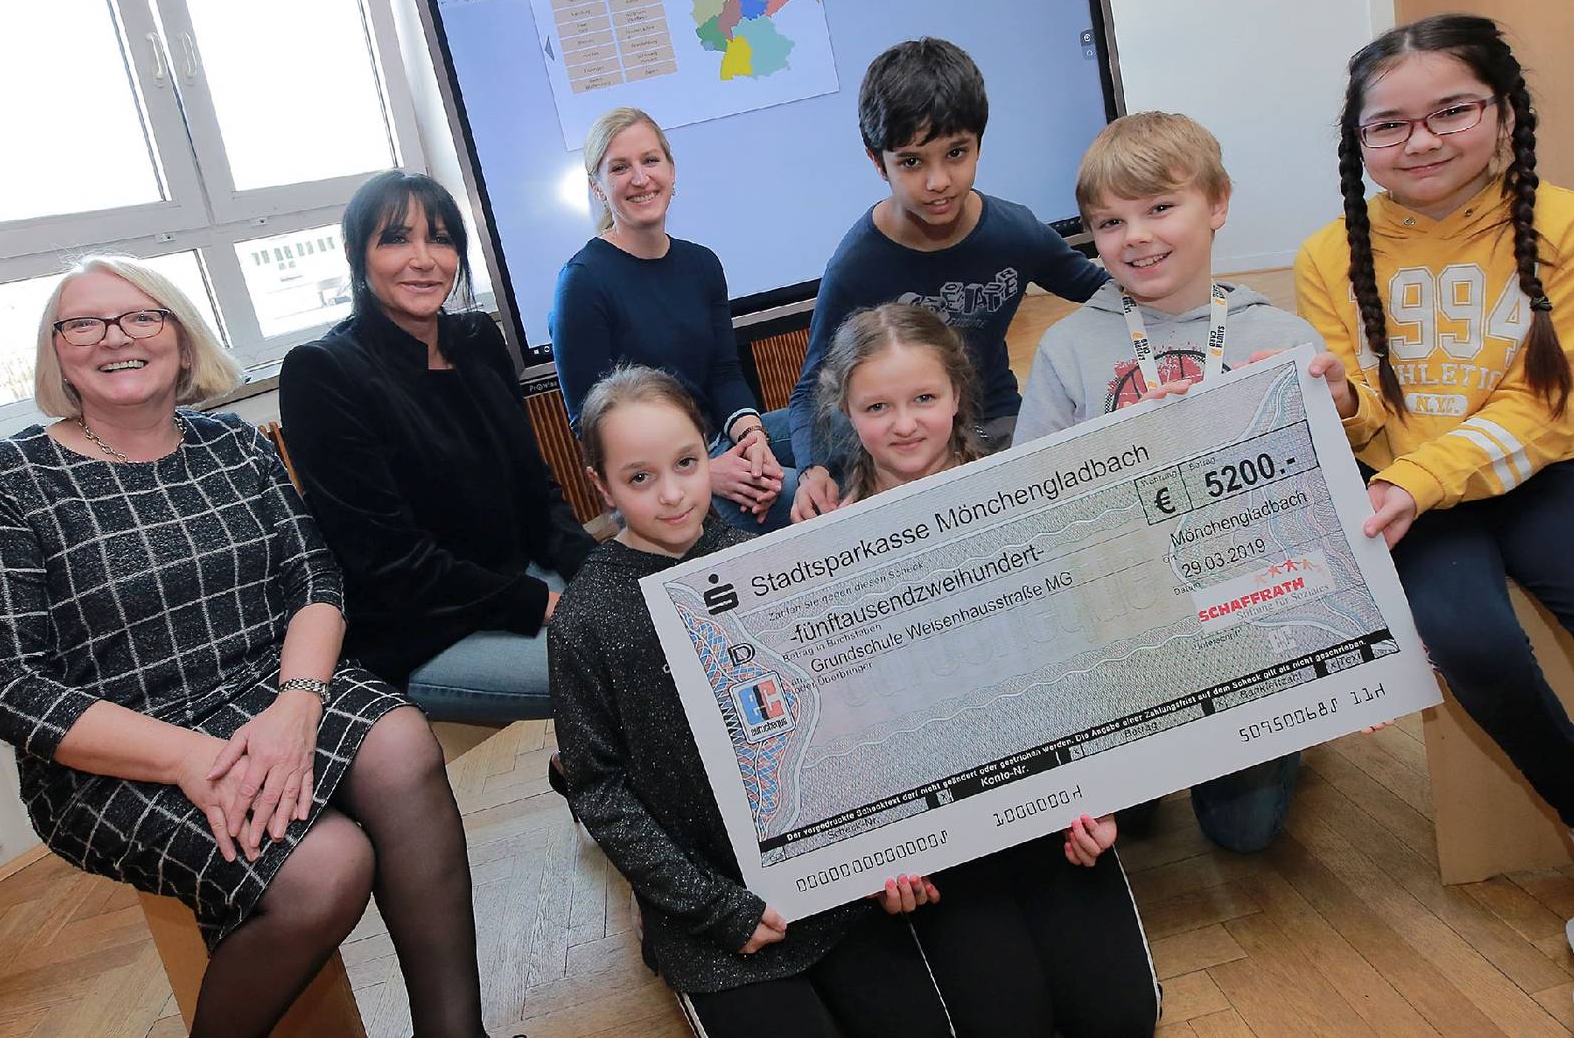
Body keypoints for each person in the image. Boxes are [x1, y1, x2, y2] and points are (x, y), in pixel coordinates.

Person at [1295, 14, 1574, 1038]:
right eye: (1388, 126)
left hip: (1527, 475)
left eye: (1453, 110)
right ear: (1359, 145)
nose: (1422, 140)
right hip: (1403, 485)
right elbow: (1361, 422)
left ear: (1505, 114)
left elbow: (1545, 408)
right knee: (1473, 642)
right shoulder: (1327, 255)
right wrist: (1343, 404)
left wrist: (1416, 473)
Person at [0, 257, 489, 1038]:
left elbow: (317, 582)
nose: (115, 337)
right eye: (84, 323)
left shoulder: (232, 444)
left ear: (181, 336)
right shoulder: (7, 478)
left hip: (264, 691)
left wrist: (295, 707)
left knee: (400, 742)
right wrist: (188, 759)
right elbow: (0, 683)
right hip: (116, 750)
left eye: (141, 317)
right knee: (326, 868)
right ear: (56, 352)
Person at [547, 365, 953, 1038]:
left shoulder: (760, 563)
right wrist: (711, 908)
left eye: (686, 462)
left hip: (829, 890)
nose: (674, 494)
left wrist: (884, 850)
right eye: (640, 478)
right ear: (601, 484)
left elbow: (838, 722)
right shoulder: (585, 620)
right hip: (710, 914)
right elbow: (601, 789)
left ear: (710, 450)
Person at [807, 303, 1162, 1038]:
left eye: (924, 399)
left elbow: (1090, 654)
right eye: (877, 406)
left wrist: (1100, 797)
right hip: (936, 844)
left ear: (960, 394)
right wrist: (878, 860)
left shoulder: (1023, 494)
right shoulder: (815, 547)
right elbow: (833, 730)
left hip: (1047, 808)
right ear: (846, 410)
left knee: (1121, 1019)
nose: (904, 424)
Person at [1015, 111, 1320, 854]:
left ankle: (1295, 732)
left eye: (1160, 207)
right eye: (1110, 222)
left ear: (1217, 202)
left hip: (1251, 625)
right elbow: (1031, 498)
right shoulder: (1070, 347)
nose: (1137, 236)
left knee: (1243, 834)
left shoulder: (1280, 341)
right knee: (1134, 826)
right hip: (1127, 630)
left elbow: (1316, 506)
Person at [279, 170, 596, 725]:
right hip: (426, 626)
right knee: (618, 668)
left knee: (652, 625)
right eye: (397, 238)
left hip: (520, 580)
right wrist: (546, 605)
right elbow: (391, 563)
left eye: (442, 239)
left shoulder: (478, 339)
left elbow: (537, 488)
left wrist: (593, 575)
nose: (424, 259)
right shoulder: (322, 372)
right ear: (358, 254)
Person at [783, 37, 1107, 520]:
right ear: (878, 162)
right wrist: (812, 471)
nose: (938, 181)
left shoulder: (1015, 231)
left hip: (991, 423)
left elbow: (1100, 289)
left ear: (978, 144)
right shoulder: (858, 264)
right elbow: (811, 386)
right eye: (912, 161)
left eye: (956, 153)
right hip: (899, 438)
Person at [551, 106, 790, 531]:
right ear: (598, 188)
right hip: (660, 481)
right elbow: (592, 428)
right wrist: (700, 473)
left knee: (840, 426)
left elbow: (724, 373)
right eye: (619, 167)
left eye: (650, 160)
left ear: (672, 170)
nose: (640, 178)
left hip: (719, 443)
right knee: (803, 497)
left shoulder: (702, 264)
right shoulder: (582, 283)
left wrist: (753, 438)